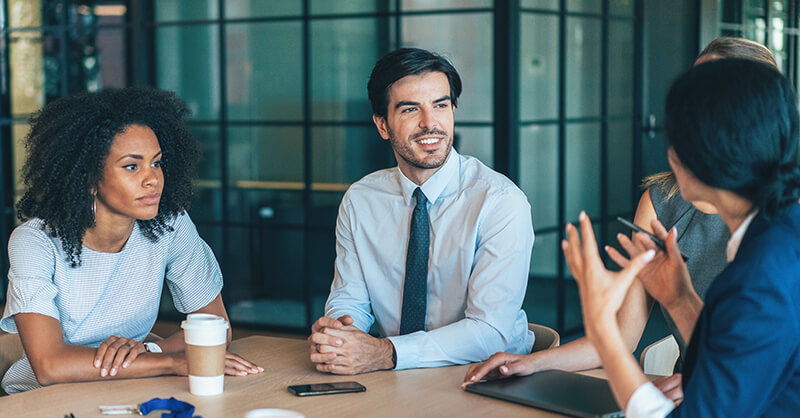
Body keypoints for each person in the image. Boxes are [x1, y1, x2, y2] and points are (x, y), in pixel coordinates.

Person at [464, 37, 777, 397]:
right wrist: (529, 363)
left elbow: (778, 358)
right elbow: (624, 335)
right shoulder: (664, 201)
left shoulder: (785, 217)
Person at [567, 58, 800, 418]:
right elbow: (738, 366)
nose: (670, 154)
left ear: (704, 155)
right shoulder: (781, 234)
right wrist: (679, 299)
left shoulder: (760, 279)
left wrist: (601, 326)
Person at [1, 87, 263, 394]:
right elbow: (50, 366)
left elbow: (216, 326)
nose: (152, 178)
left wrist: (148, 354)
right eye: (131, 166)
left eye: (157, 162)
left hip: (129, 389)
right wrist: (172, 362)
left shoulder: (170, 225)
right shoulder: (35, 242)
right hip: (40, 400)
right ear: (87, 178)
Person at [307, 48, 535, 374]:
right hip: (396, 378)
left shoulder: (500, 202)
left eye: (440, 105)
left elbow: (490, 333)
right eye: (411, 109)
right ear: (382, 125)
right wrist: (338, 334)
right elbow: (350, 298)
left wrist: (387, 353)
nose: (430, 123)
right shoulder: (361, 200)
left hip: (487, 379)